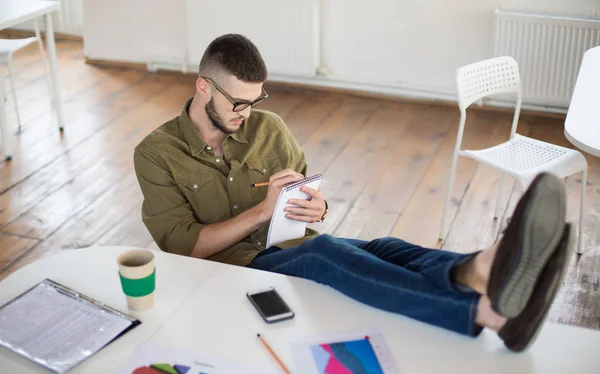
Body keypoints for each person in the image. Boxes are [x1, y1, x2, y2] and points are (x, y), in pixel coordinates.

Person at [134, 33, 574, 353]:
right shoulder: (156, 153)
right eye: (238, 104)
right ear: (203, 86)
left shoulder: (268, 128)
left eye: (255, 100)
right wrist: (261, 213)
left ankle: (482, 266)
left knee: (385, 248)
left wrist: (315, 206)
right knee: (326, 255)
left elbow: (309, 200)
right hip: (231, 271)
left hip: (287, 246)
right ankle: (486, 313)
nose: (247, 114)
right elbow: (185, 247)